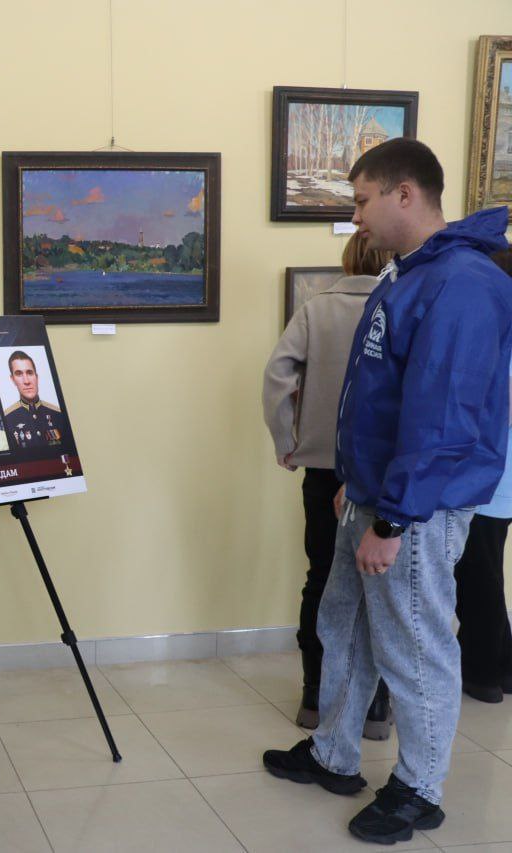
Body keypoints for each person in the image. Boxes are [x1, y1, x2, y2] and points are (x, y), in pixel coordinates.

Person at [263, 139, 512, 845]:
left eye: (362, 200)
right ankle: (334, 753)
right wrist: (355, 482)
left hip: (416, 508)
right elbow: (381, 397)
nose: (355, 217)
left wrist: (393, 519)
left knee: (414, 646)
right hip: (374, 495)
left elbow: (442, 418)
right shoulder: (410, 274)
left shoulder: (462, 284)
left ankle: (418, 790)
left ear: (406, 194)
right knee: (344, 624)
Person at [262, 232, 394, 736]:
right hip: (382, 470)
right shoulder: (400, 304)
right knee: (379, 588)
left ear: (347, 258)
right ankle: (375, 707)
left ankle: (315, 696)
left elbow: (277, 377)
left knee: (321, 577)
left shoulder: (317, 309)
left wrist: (286, 440)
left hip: (323, 465)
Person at [453, 247, 512, 703]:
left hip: (492, 476)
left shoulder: (496, 331)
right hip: (499, 476)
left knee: (478, 574)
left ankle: (484, 672)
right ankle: (501, 666)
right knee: (486, 570)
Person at [1, 350, 65, 449]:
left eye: (30, 373)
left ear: (37, 377)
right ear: (13, 379)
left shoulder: (58, 414)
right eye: (19, 374)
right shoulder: (7, 419)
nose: (26, 381)